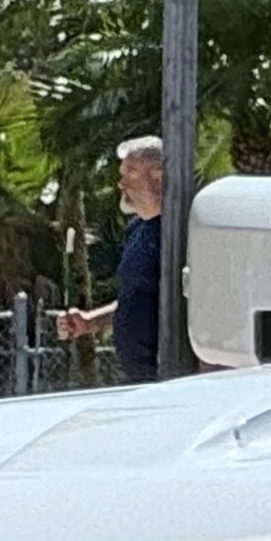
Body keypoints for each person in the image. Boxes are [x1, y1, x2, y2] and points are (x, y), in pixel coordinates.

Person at [56, 136, 167, 381]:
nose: (121, 183)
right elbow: (134, 297)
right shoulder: (136, 229)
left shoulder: (178, 230)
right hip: (138, 377)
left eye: (131, 173)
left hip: (170, 375)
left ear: (159, 177)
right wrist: (89, 322)